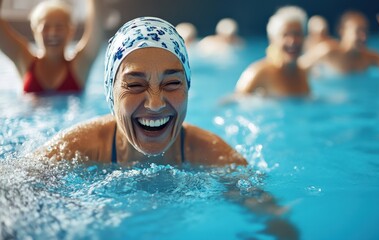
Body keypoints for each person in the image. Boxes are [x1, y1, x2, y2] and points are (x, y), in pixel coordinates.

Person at [37, 16, 246, 166]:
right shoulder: (73, 150)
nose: (155, 104)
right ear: (111, 94)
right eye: (135, 85)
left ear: (188, 87)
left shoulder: (218, 158)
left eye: (171, 84)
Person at [0, 0, 105, 93]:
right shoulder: (23, 59)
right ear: (35, 30)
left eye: (59, 27)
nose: (53, 33)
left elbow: (97, 25)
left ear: (70, 31)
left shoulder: (80, 65)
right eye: (46, 27)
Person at [299, 5, 379, 74]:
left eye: (365, 32)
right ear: (342, 31)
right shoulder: (328, 51)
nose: (364, 37)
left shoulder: (367, 57)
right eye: (358, 31)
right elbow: (298, 67)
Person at [235, 6, 310, 97]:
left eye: (297, 34)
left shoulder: (303, 73)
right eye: (285, 35)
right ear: (273, 39)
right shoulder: (258, 73)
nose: (293, 41)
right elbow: (234, 101)